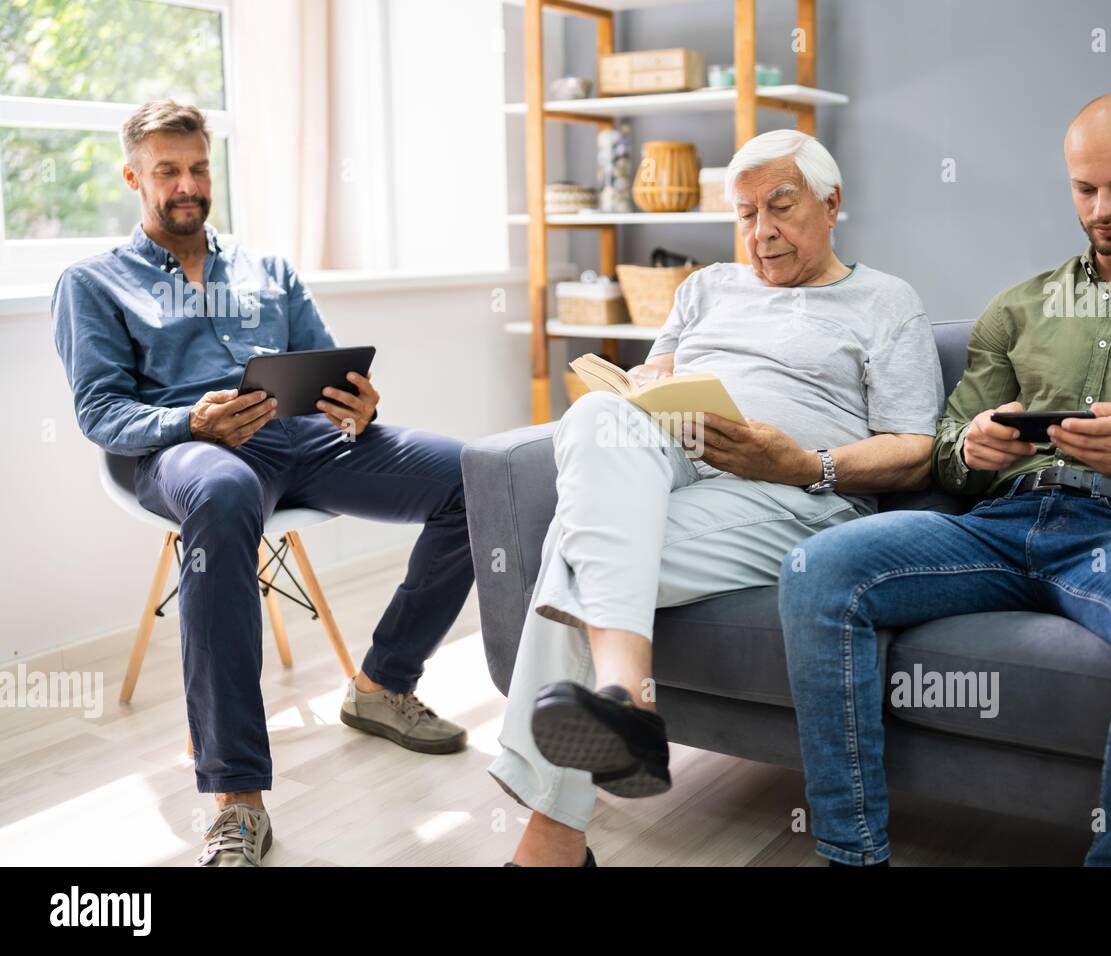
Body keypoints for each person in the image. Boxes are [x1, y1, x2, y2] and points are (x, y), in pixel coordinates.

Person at [778, 93, 1111, 867]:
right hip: (996, 527)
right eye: (1084, 188)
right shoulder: (1017, 308)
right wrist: (975, 450)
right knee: (818, 569)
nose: (1101, 208)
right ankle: (851, 854)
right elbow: (949, 449)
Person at [488, 129, 947, 867]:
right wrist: (641, 389)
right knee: (597, 415)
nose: (760, 233)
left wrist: (804, 462)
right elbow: (653, 378)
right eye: (744, 214)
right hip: (679, 461)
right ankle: (622, 695)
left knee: (579, 543)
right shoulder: (704, 288)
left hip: (792, 496)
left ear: (833, 205)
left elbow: (916, 451)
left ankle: (553, 844)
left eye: (781, 208)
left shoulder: (886, 302)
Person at [51, 100, 475, 866]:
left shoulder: (266, 268)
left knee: (477, 479)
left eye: (198, 167)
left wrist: (359, 404)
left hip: (302, 437)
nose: (188, 184)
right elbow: (100, 410)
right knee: (222, 495)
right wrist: (190, 423)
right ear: (133, 178)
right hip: (184, 452)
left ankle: (381, 685)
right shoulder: (91, 282)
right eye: (168, 171)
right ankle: (235, 797)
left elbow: (330, 369)